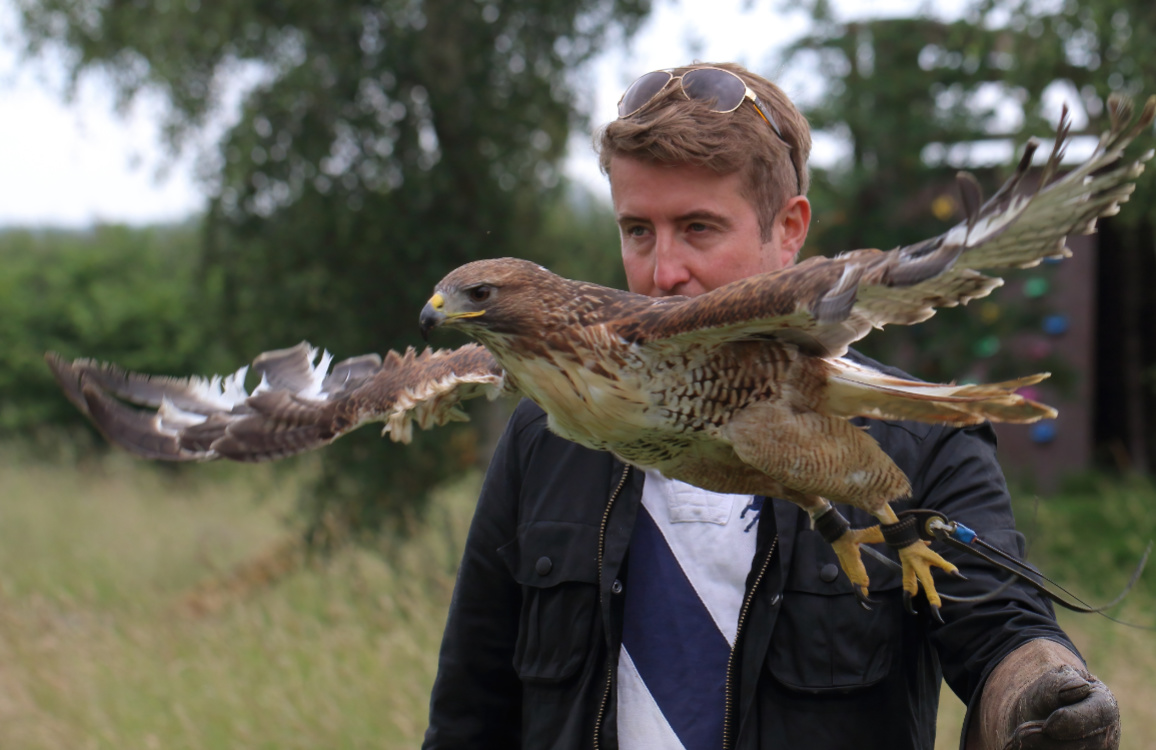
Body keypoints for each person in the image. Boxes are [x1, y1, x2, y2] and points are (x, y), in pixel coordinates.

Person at [422, 62, 1120, 750]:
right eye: (637, 230)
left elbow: (998, 627)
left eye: (698, 228)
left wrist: (1038, 687)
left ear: (788, 230)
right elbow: (471, 709)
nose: (664, 271)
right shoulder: (546, 438)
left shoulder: (918, 439)